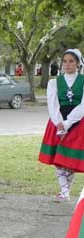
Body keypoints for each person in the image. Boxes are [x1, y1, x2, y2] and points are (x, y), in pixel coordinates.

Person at [38, 49, 84, 202]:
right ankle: (64, 191)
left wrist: (68, 122)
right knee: (58, 158)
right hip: (57, 121)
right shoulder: (54, 82)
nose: (67, 64)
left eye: (71, 61)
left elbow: (83, 105)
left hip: (78, 122)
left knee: (69, 158)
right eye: (65, 61)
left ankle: (66, 191)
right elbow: (52, 103)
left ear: (78, 63)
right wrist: (59, 123)